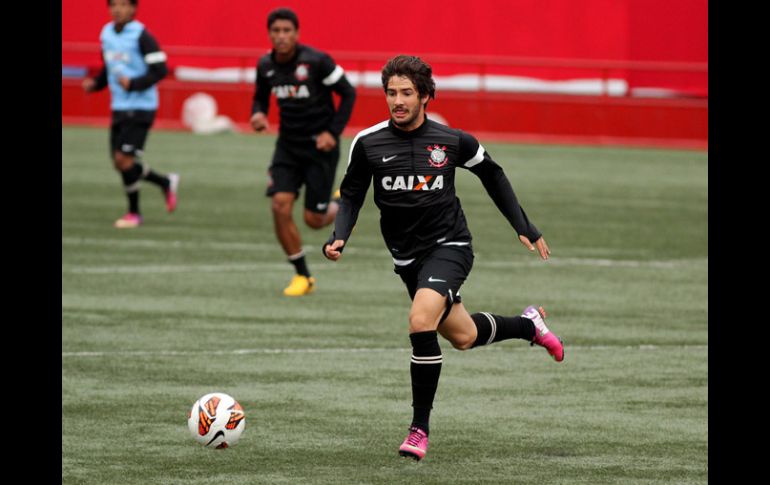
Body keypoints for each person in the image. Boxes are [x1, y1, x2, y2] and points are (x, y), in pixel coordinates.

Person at [323, 55, 564, 461]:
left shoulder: (452, 141)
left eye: (406, 93)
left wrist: (522, 224)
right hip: (406, 259)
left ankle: (419, 429)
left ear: (425, 97)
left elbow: (493, 174)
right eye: (391, 93)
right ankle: (529, 326)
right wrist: (339, 236)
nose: (397, 101)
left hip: (450, 245)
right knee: (464, 336)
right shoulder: (367, 143)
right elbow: (351, 195)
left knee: (421, 321)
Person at [250, 7, 356, 296]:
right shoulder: (265, 65)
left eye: (287, 31)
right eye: (276, 31)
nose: (281, 37)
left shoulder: (317, 61)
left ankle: (342, 204)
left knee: (313, 220)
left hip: (320, 150)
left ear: (296, 34)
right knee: (279, 205)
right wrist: (258, 114)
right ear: (270, 34)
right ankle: (302, 276)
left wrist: (331, 133)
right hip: (287, 147)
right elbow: (260, 97)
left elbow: (349, 92)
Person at [82, 0, 179, 229]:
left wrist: (134, 83)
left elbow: (160, 70)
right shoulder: (106, 34)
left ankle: (134, 213)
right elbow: (110, 67)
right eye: (114, 4)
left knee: (123, 160)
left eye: (124, 4)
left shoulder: (142, 35)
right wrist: (96, 84)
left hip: (142, 107)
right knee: (120, 162)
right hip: (119, 107)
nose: (118, 9)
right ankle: (165, 182)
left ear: (134, 8)